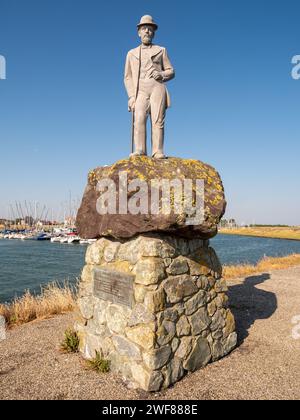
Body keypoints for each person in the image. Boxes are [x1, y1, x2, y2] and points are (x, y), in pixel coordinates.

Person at [124, 15, 175, 159]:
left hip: (157, 87)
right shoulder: (131, 53)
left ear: (153, 32)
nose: (147, 31)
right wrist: (131, 96)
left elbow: (171, 71)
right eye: (144, 28)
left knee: (157, 120)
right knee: (139, 118)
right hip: (140, 89)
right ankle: (140, 149)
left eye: (150, 29)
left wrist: (161, 74)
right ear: (139, 32)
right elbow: (127, 77)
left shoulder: (161, 50)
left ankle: (157, 150)